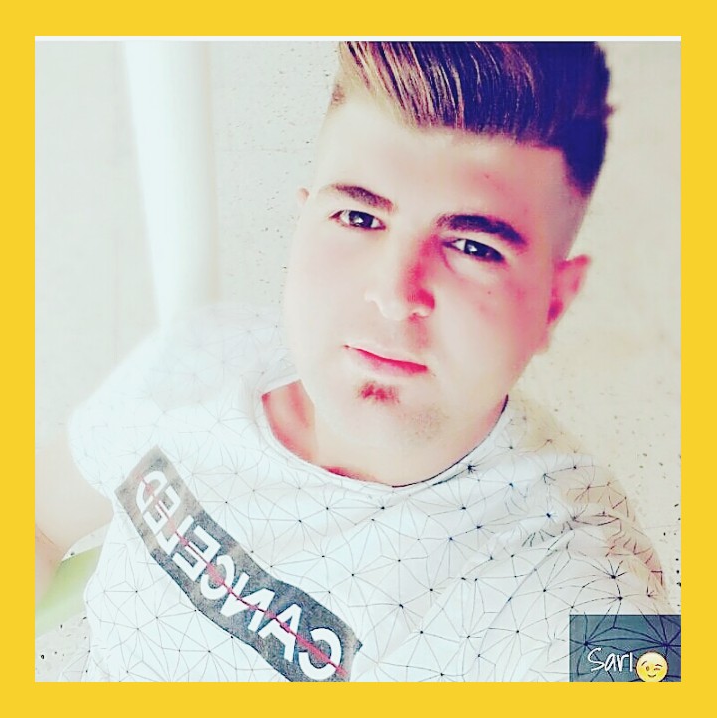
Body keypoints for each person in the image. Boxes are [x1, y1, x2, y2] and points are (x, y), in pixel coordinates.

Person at [36, 41, 671, 682]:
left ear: (554, 301)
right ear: (304, 221)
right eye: (359, 216)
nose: (394, 296)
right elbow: (35, 520)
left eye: (473, 246)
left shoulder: (581, 579)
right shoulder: (197, 354)